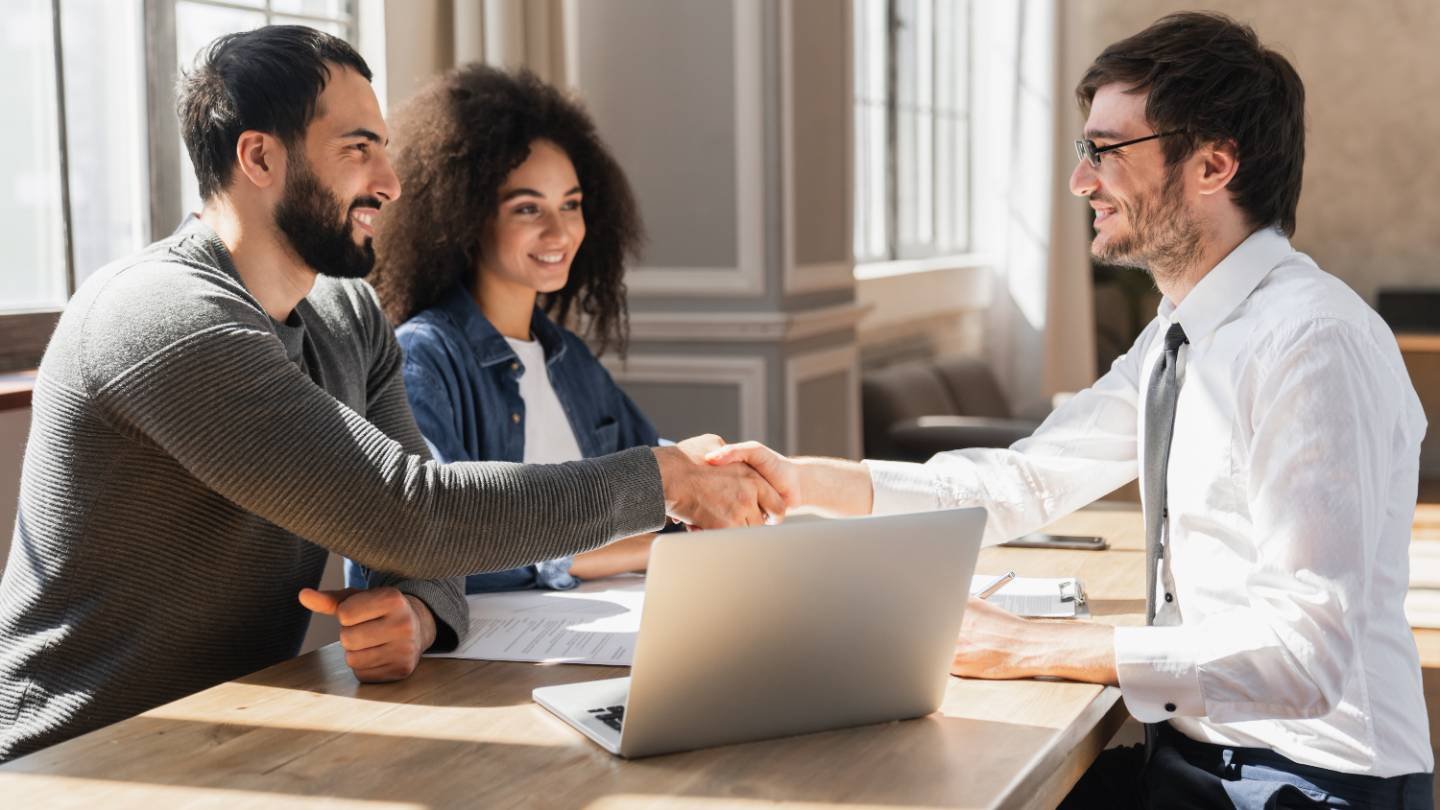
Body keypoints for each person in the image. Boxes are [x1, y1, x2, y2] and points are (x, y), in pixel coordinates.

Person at [707, 12, 1433, 808]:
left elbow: (1306, 654)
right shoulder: (1180, 334)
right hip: (1199, 757)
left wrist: (1025, 646)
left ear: (1213, 166)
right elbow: (1027, 479)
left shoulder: (1312, 342)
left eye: (1105, 151)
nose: (1081, 181)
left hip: (1305, 778)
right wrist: (806, 482)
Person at [0, 25, 783, 763]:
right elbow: (411, 511)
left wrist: (419, 612)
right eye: (358, 150)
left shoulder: (346, 315)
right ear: (259, 158)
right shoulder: (165, 319)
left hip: (238, 733)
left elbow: (410, 542)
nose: (392, 183)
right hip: (79, 759)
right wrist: (662, 477)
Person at [349, 65, 667, 595]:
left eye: (571, 204)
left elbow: (656, 469)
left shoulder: (568, 358)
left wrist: (719, 468)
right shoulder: (422, 359)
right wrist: (598, 553)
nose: (559, 230)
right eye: (527, 208)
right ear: (468, 218)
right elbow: (432, 538)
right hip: (490, 658)